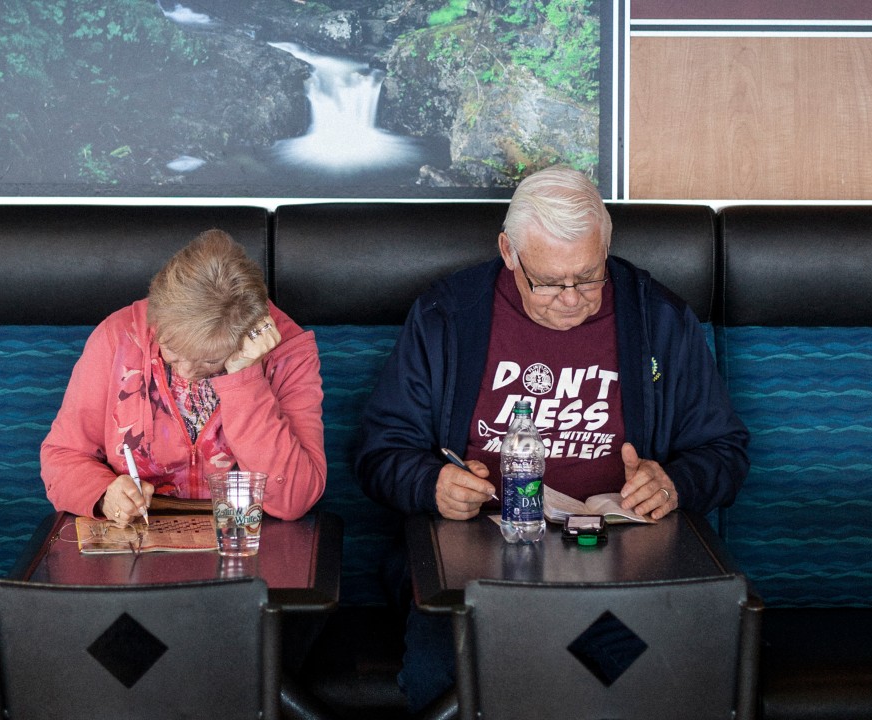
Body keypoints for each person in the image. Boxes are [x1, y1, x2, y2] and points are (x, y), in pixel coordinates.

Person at [355, 166, 749, 712]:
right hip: (481, 568)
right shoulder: (449, 315)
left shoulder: (655, 317)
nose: (571, 299)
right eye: (549, 282)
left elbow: (725, 450)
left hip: (621, 567)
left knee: (658, 680)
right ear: (508, 252)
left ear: (606, 250)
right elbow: (380, 450)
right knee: (441, 680)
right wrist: (431, 483)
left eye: (589, 277)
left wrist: (675, 482)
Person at [41, 228, 326, 525]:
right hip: (137, 539)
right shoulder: (119, 337)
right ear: (157, 316)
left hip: (244, 539)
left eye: (211, 361)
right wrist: (103, 493)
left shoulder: (287, 354)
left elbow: (296, 498)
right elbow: (62, 456)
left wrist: (245, 378)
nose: (187, 372)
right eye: (172, 350)